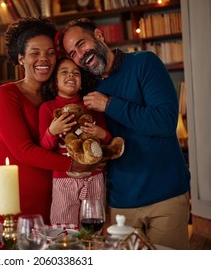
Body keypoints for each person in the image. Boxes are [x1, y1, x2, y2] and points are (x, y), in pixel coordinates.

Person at [59, 17, 191, 249]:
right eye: (73, 53)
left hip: (166, 195)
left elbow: (165, 122)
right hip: (121, 202)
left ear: (99, 35)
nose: (80, 56)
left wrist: (110, 105)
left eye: (81, 44)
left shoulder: (144, 63)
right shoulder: (88, 89)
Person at [0, 16, 104, 226]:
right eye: (35, 53)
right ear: (21, 58)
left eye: (50, 53)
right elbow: (23, 150)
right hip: (13, 197)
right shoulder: (6, 94)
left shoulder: (57, 98)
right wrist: (75, 164)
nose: (44, 59)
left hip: (56, 195)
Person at [39, 56, 112, 225]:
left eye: (76, 73)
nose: (71, 76)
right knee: (63, 227)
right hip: (63, 179)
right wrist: (52, 131)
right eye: (64, 72)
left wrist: (101, 133)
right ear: (55, 81)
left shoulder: (91, 104)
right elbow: (44, 147)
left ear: (81, 81)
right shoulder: (47, 108)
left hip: (94, 176)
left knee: (94, 226)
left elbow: (108, 140)